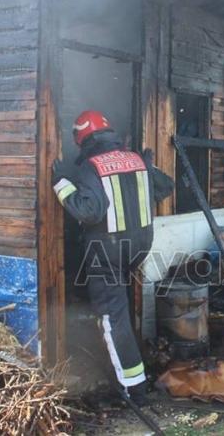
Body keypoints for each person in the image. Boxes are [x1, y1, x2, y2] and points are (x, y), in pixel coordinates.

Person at [52, 110, 173, 405]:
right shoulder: (137, 159)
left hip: (107, 251)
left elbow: (87, 211)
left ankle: (134, 390)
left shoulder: (90, 168)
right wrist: (147, 166)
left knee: (112, 316)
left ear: (81, 139)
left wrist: (61, 182)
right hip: (139, 247)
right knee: (119, 306)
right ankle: (128, 359)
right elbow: (165, 186)